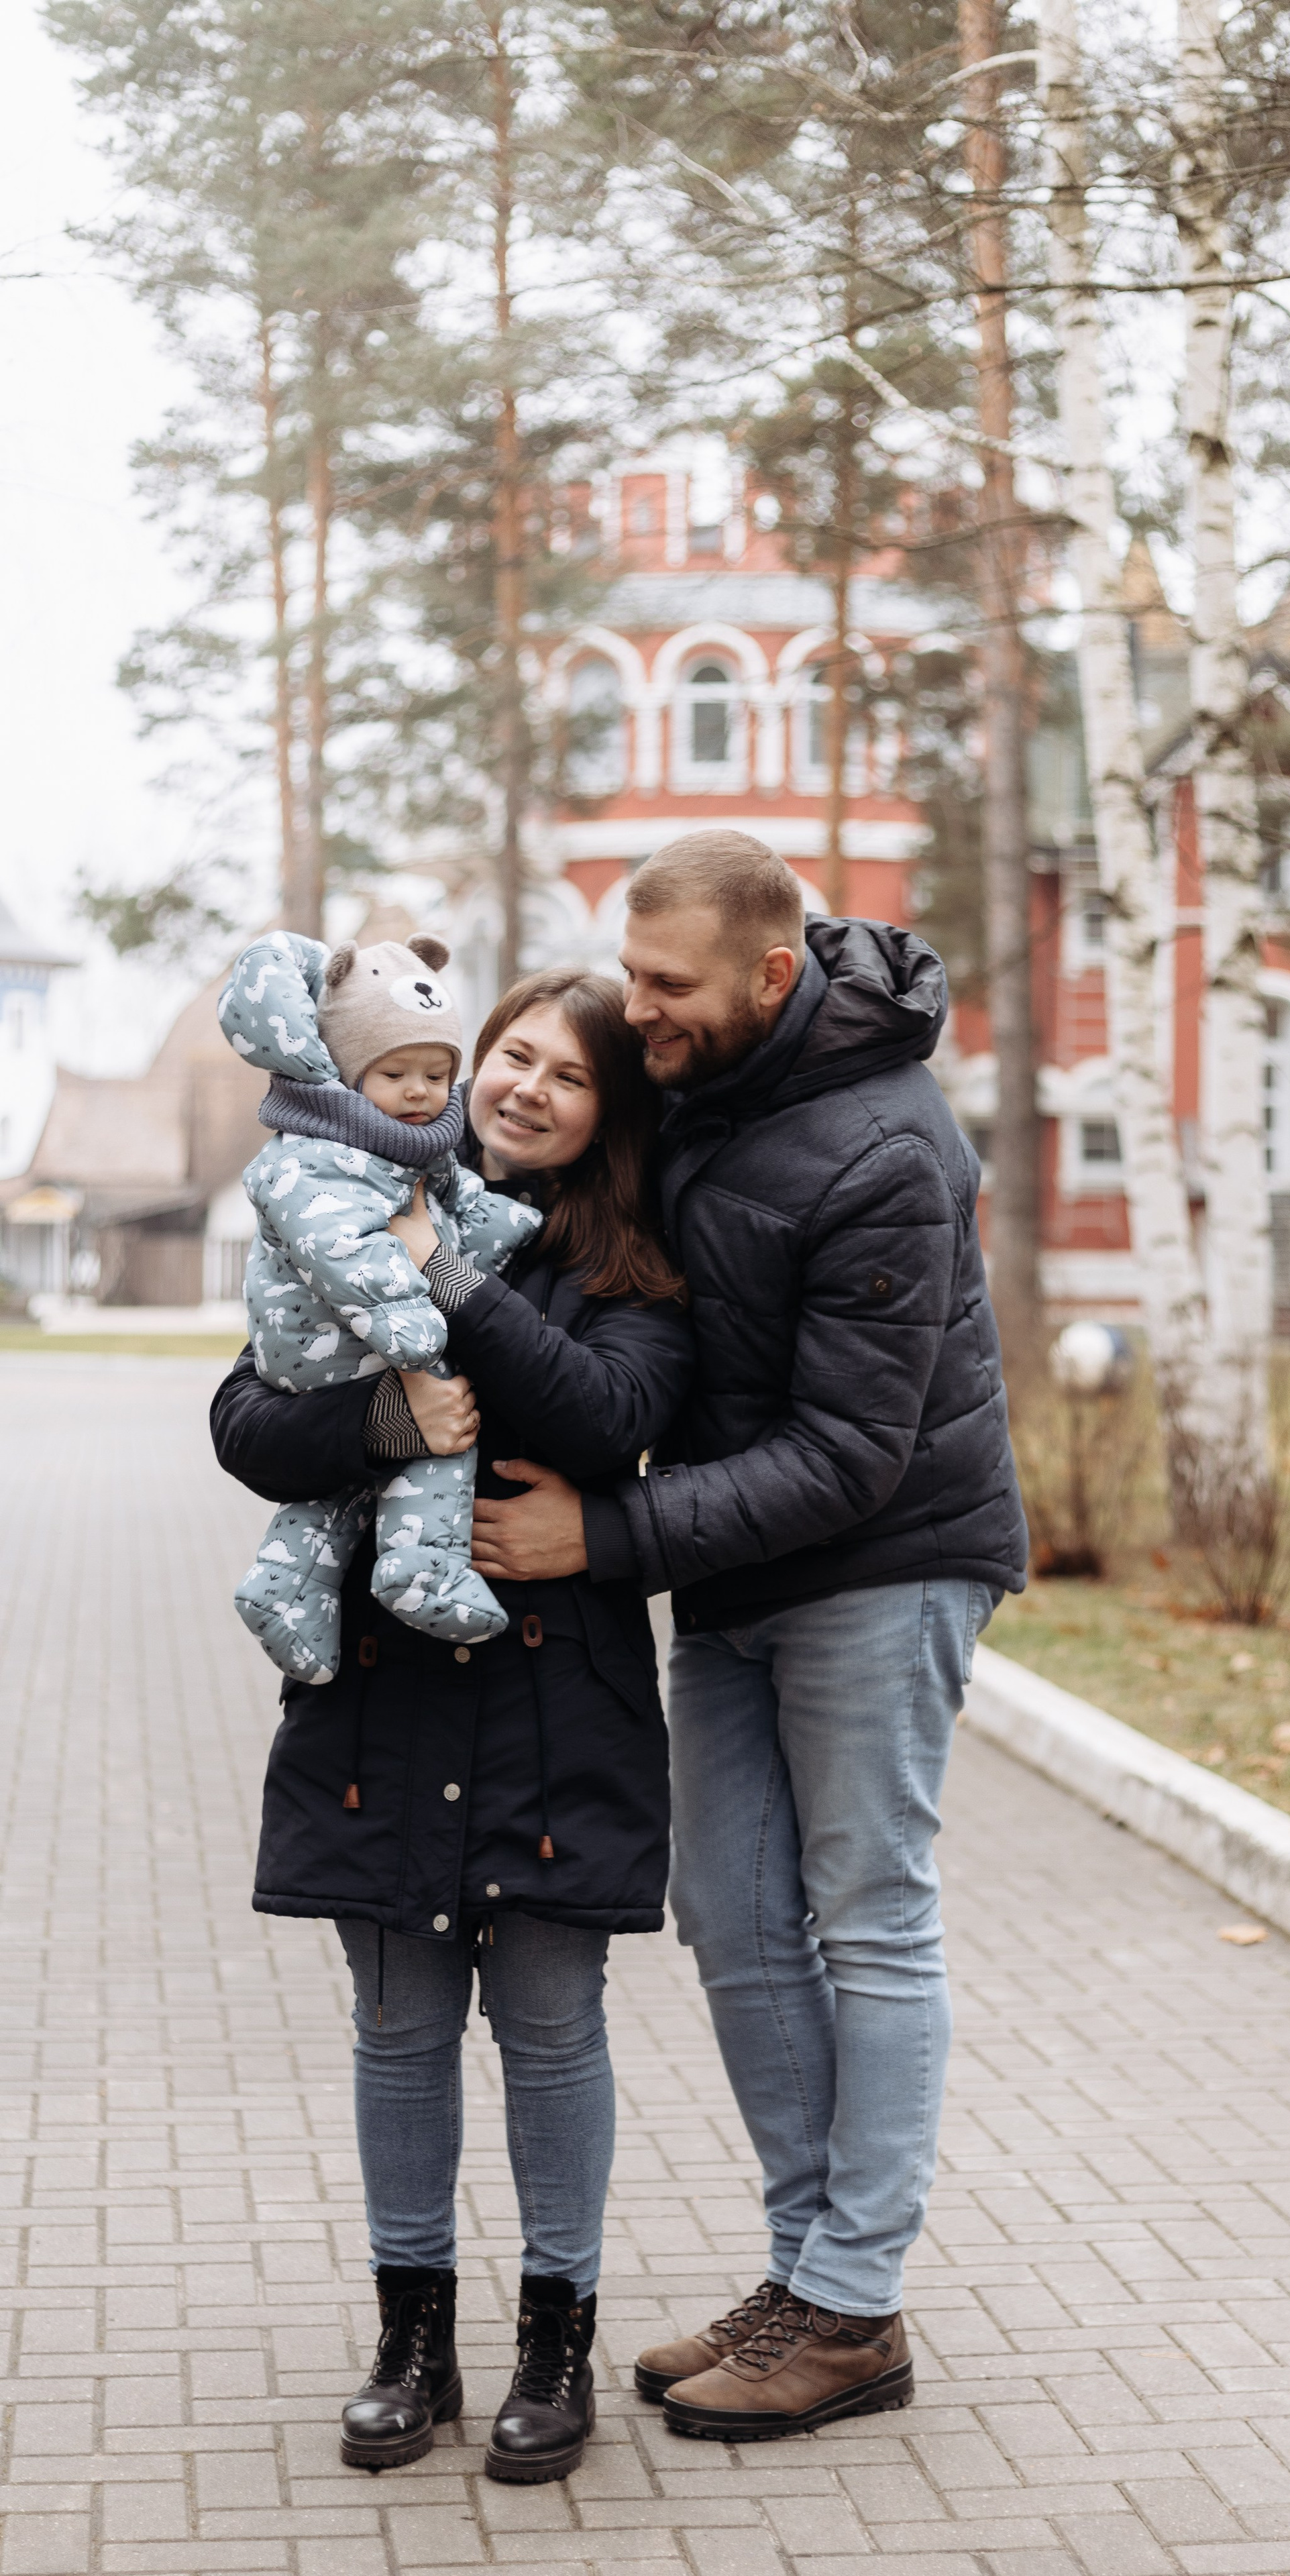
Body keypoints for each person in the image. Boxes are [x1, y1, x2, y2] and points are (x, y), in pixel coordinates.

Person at [502, 829, 1029, 2439]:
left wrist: (603, 1537)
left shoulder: (885, 1148)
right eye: (629, 970)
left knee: (865, 1912)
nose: (634, 1010)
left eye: (665, 987)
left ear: (768, 976)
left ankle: (853, 2303)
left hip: (885, 1559)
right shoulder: (704, 1090)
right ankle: (809, 2270)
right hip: (740, 1572)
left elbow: (848, 1457)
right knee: (729, 1913)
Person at [208, 969, 693, 2485]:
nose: (522, 1085)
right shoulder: (352, 1193)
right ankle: (409, 2337)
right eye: (507, 1055)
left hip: (560, 1709)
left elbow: (604, 1417)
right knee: (401, 2028)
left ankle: (557, 2337)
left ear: (609, 1106)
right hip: (385, 1688)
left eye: (566, 1069)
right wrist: (377, 1426)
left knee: (550, 2030)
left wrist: (453, 1278)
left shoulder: (633, 1266)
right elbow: (241, 1414)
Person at [217, 928, 543, 1682]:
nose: (422, 1092)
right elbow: (346, 1251)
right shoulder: (318, 1153)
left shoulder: (407, 1149)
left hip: (351, 1347)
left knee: (358, 1475)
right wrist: (412, 1328)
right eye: (396, 1072)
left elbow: (457, 1213)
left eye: (437, 1073)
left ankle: (283, 1587)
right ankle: (419, 1569)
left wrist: (515, 1226)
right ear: (344, 1069)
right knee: (442, 1427)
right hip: (335, 1345)